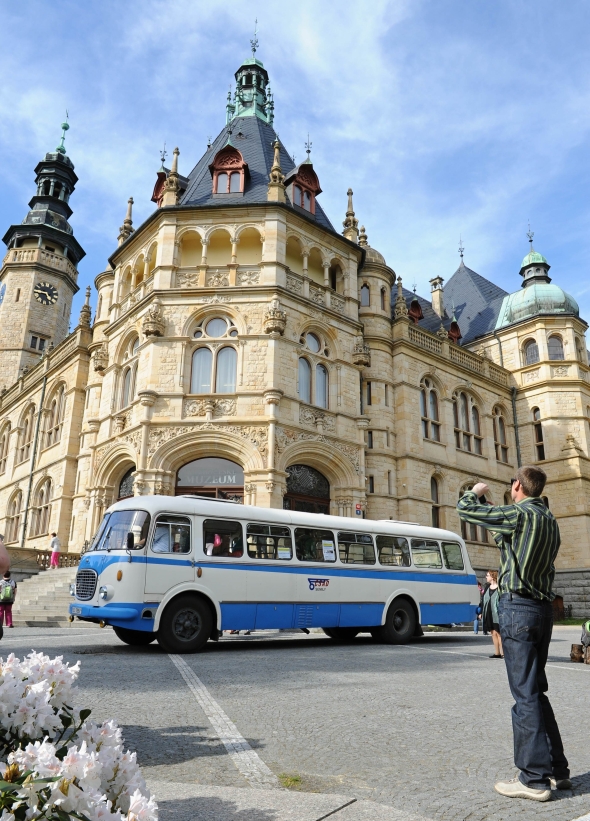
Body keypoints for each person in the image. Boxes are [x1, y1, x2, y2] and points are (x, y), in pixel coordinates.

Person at [457, 466, 570, 802]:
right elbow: (508, 542)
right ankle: (558, 771)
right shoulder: (548, 520)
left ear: (518, 485)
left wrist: (475, 491)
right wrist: (496, 507)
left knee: (524, 695)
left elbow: (466, 510)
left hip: (517, 608)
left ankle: (533, 779)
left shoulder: (518, 514)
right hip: (542, 611)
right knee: (536, 690)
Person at [481, 571, 503, 658]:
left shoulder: (500, 588)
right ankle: (497, 653)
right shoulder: (487, 587)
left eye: (487, 575)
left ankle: (503, 653)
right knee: (493, 632)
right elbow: (483, 600)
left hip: (497, 614)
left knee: (499, 633)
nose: (486, 577)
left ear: (493, 577)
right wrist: (480, 612)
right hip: (488, 613)